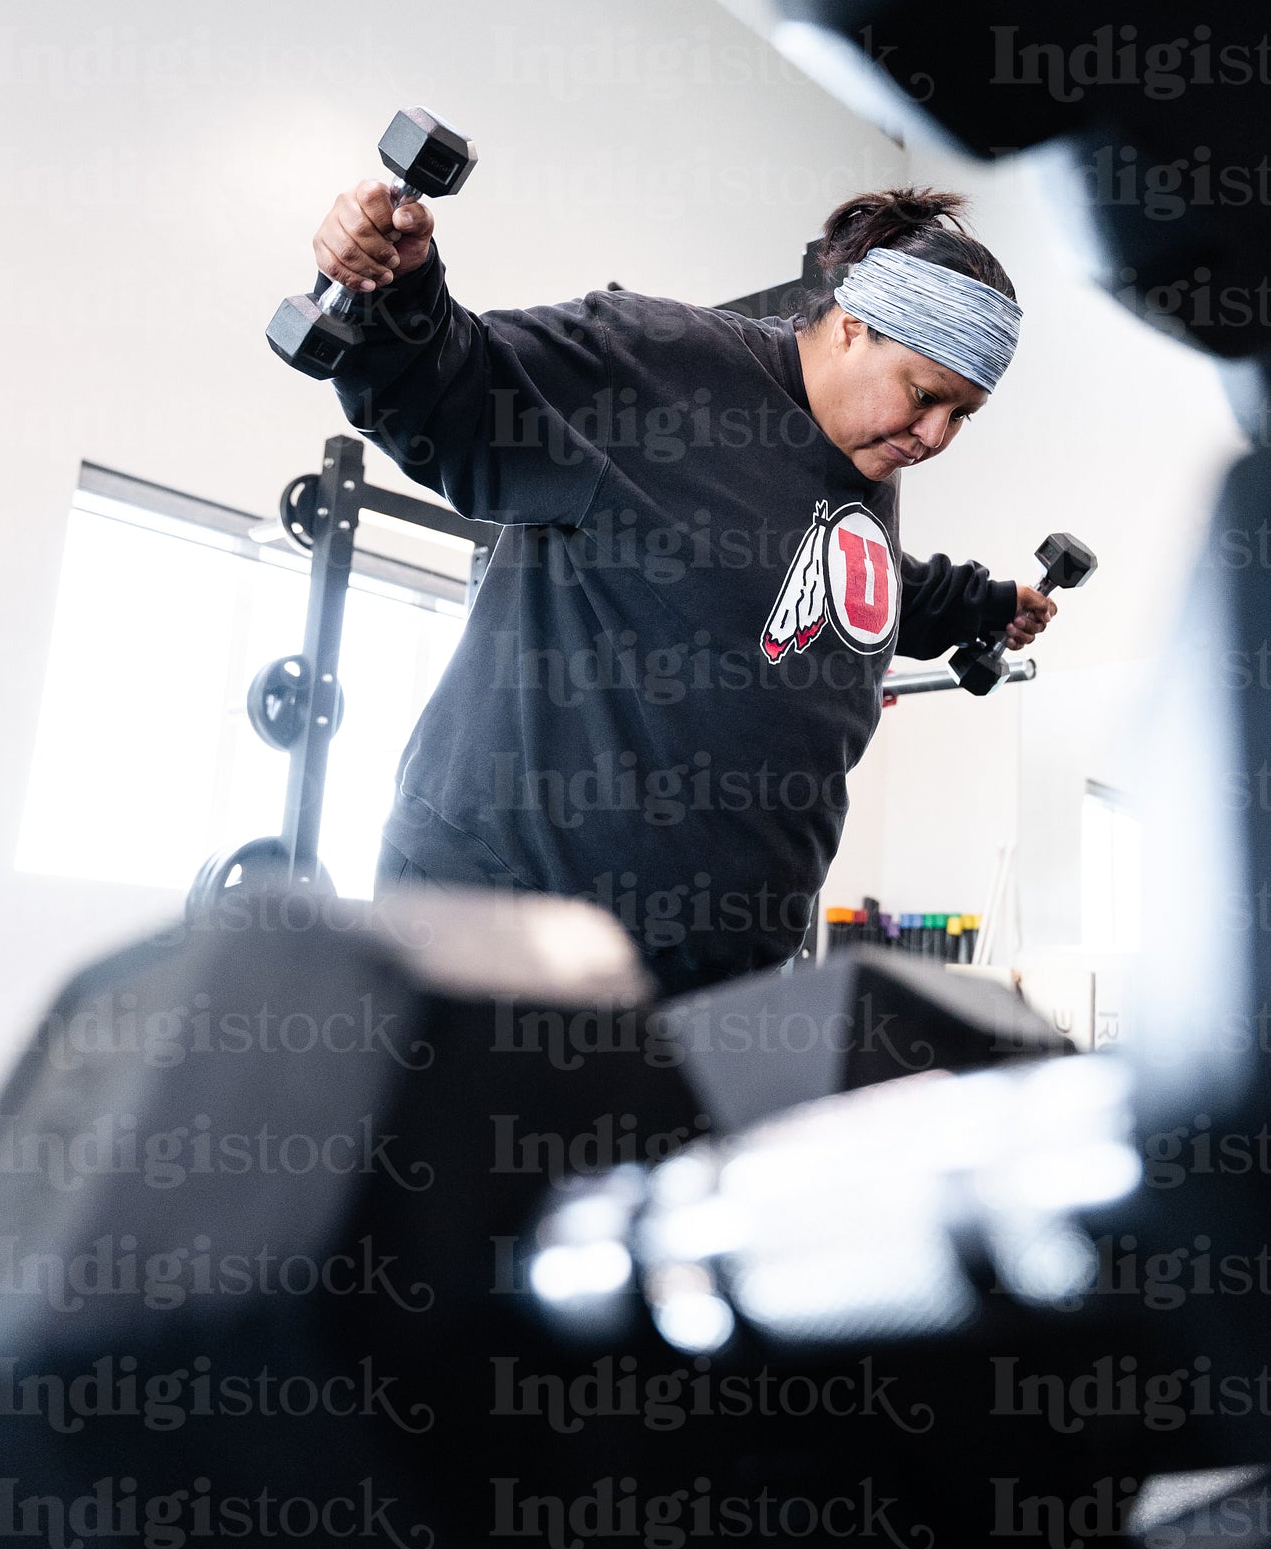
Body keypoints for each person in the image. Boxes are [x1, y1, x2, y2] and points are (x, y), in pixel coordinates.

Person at [297, 179, 1054, 994]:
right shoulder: (656, 360)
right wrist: (392, 287)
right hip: (511, 932)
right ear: (853, 328)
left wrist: (988, 602)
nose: (934, 438)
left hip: (715, 984)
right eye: (925, 396)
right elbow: (450, 392)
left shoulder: (862, 461)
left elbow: (845, 579)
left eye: (962, 416)